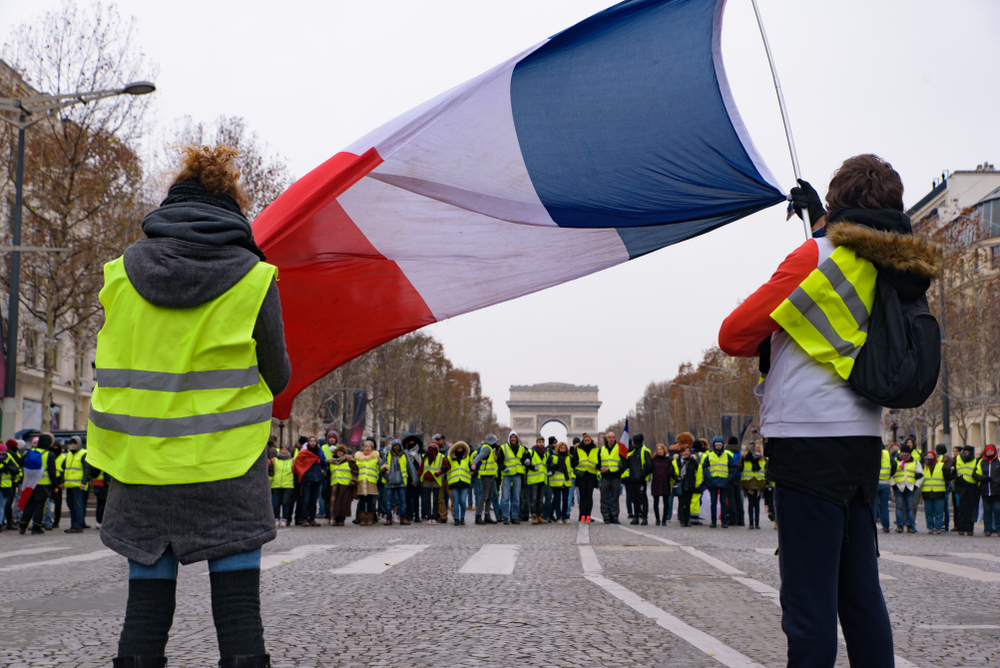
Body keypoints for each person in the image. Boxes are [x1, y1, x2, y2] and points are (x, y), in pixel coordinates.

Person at [719, 155, 941, 665]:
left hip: (803, 443)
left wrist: (816, 238)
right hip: (862, 442)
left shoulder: (812, 259)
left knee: (809, 609)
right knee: (861, 599)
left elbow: (733, 336)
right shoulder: (898, 267)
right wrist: (825, 225)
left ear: (839, 205)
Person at [86, 144, 291, 668]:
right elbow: (278, 375)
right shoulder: (253, 279)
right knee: (240, 617)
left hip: (142, 466)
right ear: (232, 209)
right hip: (226, 464)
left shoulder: (118, 277)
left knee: (145, 620)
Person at [18, 433, 60, 535]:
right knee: (40, 506)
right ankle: (36, 528)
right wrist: (55, 486)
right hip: (44, 485)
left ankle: (22, 526)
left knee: (29, 505)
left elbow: (19, 462)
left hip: (31, 484)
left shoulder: (31, 452)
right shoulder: (50, 454)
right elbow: (52, 471)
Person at [294, 437, 328, 527]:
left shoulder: (320, 452)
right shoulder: (304, 452)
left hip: (317, 479)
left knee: (313, 501)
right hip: (307, 479)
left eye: (314, 441)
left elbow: (324, 464)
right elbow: (298, 464)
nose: (312, 443)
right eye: (311, 441)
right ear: (308, 442)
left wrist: (323, 472)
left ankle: (312, 519)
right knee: (306, 500)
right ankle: (305, 519)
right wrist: (303, 473)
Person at [381, 440, 413, 525]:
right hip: (389, 482)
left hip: (401, 481)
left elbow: (410, 467)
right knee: (388, 502)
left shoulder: (404, 455)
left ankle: (403, 518)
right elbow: (381, 468)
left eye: (398, 445)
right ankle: (389, 518)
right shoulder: (387, 455)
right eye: (394, 446)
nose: (396, 447)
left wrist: (414, 479)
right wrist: (387, 477)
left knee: (403, 502)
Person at [702, 437, 731, 528]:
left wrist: (728, 478)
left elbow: (734, 467)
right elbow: (704, 467)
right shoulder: (710, 455)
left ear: (722, 446)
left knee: (723, 502)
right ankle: (713, 521)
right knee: (713, 502)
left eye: (720, 445)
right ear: (714, 446)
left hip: (724, 481)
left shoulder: (726, 455)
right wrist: (709, 477)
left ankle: (724, 521)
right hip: (713, 481)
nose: (718, 447)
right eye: (716, 445)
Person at [62, 436, 90, 533]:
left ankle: (78, 525)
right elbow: (65, 468)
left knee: (78, 505)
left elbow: (87, 470)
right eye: (71, 443)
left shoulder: (83, 454)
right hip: (69, 484)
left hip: (78, 485)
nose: (73, 445)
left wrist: (83, 483)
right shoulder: (69, 454)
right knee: (71, 505)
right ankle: (73, 524)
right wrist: (63, 481)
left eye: (75, 443)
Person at [623, 433, 652, 525]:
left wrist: (642, 475)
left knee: (642, 498)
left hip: (640, 480)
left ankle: (644, 517)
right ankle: (636, 517)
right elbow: (626, 465)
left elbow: (649, 465)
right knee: (634, 499)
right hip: (632, 479)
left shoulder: (645, 451)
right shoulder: (631, 453)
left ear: (634, 441)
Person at [598, 431, 626, 524]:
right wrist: (600, 468)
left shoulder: (620, 449)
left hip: (615, 477)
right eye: (609, 437)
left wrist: (619, 472)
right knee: (604, 498)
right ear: (606, 438)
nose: (611, 439)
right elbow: (597, 463)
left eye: (613, 437)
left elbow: (624, 463)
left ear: (615, 438)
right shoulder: (601, 449)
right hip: (605, 477)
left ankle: (614, 516)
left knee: (615, 498)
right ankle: (606, 516)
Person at [893, 445, 922, 533]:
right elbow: (889, 473)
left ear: (909, 453)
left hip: (910, 487)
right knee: (899, 506)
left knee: (910, 507)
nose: (904, 454)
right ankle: (899, 525)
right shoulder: (895, 461)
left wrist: (916, 485)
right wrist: (893, 484)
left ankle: (909, 526)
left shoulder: (915, 462)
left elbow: (921, 475)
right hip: (898, 486)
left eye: (906, 452)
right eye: (903, 452)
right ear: (900, 452)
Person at [442, 441, 473, 525]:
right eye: (458, 447)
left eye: (461, 447)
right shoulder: (449, 458)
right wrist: (443, 468)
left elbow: (470, 468)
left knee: (462, 501)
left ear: (463, 448)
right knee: (455, 501)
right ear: (455, 448)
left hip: (464, 482)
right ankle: (456, 519)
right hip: (454, 482)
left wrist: (473, 468)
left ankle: (462, 518)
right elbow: (446, 467)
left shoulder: (467, 457)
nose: (460, 448)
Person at [499, 431, 526, 525]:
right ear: (509, 438)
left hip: (517, 475)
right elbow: (499, 461)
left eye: (514, 437)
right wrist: (504, 468)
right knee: (505, 498)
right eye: (511, 437)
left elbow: (523, 460)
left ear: (517, 438)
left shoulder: (522, 449)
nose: (513, 439)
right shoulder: (503, 448)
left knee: (516, 498)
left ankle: (515, 517)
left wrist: (527, 461)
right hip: (506, 475)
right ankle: (505, 517)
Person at [571, 433, 599, 523]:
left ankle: (588, 516)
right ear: (583, 441)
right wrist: (578, 462)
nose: (587, 442)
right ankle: (582, 515)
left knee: (589, 496)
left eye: (588, 440)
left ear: (591, 440)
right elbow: (573, 461)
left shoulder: (596, 449)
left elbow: (599, 460)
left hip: (591, 475)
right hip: (581, 475)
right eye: (585, 441)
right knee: (582, 496)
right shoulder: (578, 449)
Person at [472, 434, 500, 525]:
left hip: (490, 475)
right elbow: (479, 456)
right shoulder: (487, 448)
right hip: (486, 476)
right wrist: (474, 463)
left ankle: (487, 515)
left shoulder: (490, 449)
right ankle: (479, 516)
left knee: (490, 496)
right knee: (485, 496)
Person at [327, 444, 357, 526]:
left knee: (344, 503)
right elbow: (329, 473)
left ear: (344, 452)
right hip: (335, 484)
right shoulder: (331, 461)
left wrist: (353, 480)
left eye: (341, 451)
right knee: (335, 503)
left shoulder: (349, 460)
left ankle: (342, 519)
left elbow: (355, 471)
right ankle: (335, 519)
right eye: (338, 451)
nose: (339, 453)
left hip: (346, 485)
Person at [974, 444, 1000, 537]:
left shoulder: (999, 461)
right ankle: (987, 529)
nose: (989, 452)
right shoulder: (981, 462)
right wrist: (983, 478)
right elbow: (976, 475)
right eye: (988, 451)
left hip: (997, 491)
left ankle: (998, 529)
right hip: (985, 491)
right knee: (987, 511)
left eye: (991, 451)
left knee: (997, 510)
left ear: (994, 452)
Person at [921, 449, 949, 534]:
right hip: (927, 492)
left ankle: (938, 527)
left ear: (934, 457)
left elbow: (947, 477)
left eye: (931, 456)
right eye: (928, 456)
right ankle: (930, 527)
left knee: (938, 512)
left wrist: (945, 487)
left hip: (939, 492)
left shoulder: (941, 466)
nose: (929, 458)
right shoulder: (923, 466)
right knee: (928, 512)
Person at [740, 441, 766, 529]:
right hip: (749, 483)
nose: (759, 449)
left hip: (759, 484)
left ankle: (757, 522)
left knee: (757, 504)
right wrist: (742, 458)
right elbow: (739, 467)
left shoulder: (762, 458)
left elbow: (767, 469)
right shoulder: (746, 458)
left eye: (759, 447)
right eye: (757, 447)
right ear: (752, 448)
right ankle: (751, 522)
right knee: (751, 504)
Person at [354, 440, 380, 526]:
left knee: (370, 501)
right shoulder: (358, 457)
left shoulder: (376, 457)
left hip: (371, 481)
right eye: (365, 447)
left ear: (372, 448)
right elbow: (354, 467)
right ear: (363, 448)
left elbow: (383, 465)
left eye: (369, 447)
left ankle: (369, 519)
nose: (367, 448)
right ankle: (362, 519)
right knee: (362, 501)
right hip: (361, 481)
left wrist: (384, 469)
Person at [954, 445, 978, 536]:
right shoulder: (957, 459)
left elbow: (977, 472)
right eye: (965, 451)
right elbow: (952, 472)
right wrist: (956, 478)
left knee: (970, 509)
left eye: (968, 451)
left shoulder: (975, 460)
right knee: (961, 508)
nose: (966, 453)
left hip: (971, 486)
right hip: (960, 486)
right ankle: (961, 528)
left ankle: (969, 529)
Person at [418, 440, 444, 524]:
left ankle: (435, 517)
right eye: (430, 447)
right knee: (427, 500)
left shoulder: (440, 456)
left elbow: (447, 467)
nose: (432, 449)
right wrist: (417, 478)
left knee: (436, 500)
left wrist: (439, 473)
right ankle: (429, 516)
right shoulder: (424, 456)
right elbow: (421, 468)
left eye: (433, 447)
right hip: (426, 480)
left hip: (436, 480)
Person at [673, 439, 698, 528]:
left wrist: (696, 483)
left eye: (688, 451)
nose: (686, 453)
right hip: (681, 485)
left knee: (688, 504)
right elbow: (671, 471)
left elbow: (698, 471)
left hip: (690, 484)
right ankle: (682, 520)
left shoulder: (693, 461)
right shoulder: (677, 461)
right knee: (681, 503)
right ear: (681, 452)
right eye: (684, 451)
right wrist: (677, 478)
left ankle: (687, 521)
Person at [547, 441, 574, 523]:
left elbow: (571, 468)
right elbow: (549, 466)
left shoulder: (569, 457)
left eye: (564, 448)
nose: (563, 449)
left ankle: (564, 517)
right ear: (558, 449)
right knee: (557, 500)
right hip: (556, 482)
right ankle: (558, 517)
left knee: (565, 500)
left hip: (566, 482)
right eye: (561, 448)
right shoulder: (554, 457)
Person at [525, 438, 550, 524]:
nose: (541, 444)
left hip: (542, 479)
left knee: (540, 500)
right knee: (534, 499)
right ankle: (534, 516)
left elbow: (549, 463)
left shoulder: (546, 453)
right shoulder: (531, 452)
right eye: (539, 442)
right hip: (534, 479)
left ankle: (540, 516)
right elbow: (525, 461)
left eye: (542, 442)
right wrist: (532, 467)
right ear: (536, 443)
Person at [269, 445, 295, 526]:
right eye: (282, 450)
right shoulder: (275, 460)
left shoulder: (292, 460)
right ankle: (276, 519)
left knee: (285, 502)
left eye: (285, 450)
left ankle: (284, 519)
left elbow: (295, 471)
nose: (284, 451)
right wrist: (270, 480)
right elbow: (271, 471)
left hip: (288, 484)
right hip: (276, 484)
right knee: (276, 503)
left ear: (288, 451)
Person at [874, 443, 897, 534]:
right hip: (885, 483)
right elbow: (894, 464)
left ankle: (872, 525)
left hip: (875, 483)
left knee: (873, 505)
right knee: (884, 506)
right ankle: (886, 526)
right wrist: (890, 474)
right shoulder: (887, 454)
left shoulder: (873, 453)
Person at [650, 443, 674, 526]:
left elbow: (672, 470)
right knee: (655, 501)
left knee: (666, 502)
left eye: (661, 449)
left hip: (665, 482)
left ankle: (664, 519)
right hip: (656, 482)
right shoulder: (653, 459)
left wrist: (676, 477)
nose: (659, 451)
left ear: (664, 450)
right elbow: (649, 469)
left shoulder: (669, 460)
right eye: (658, 449)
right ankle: (657, 519)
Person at [0, 442, 20, 532]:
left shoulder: (8, 458)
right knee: (2, 506)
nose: (3, 452)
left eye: (4, 450)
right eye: (1, 450)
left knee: (4, 506)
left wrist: (8, 468)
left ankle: (5, 523)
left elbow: (16, 469)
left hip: (6, 486)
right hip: (6, 486)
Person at [726, 437, 744, 526]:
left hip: (730, 476)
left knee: (731, 498)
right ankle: (741, 519)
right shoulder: (740, 452)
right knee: (739, 498)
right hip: (739, 477)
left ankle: (733, 519)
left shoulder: (727, 452)